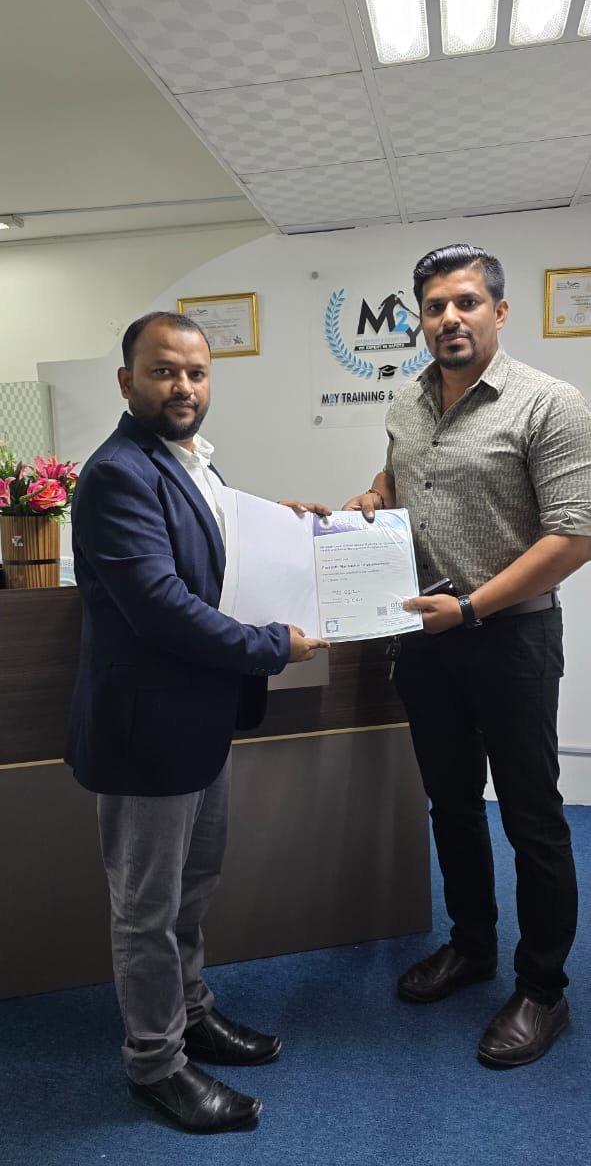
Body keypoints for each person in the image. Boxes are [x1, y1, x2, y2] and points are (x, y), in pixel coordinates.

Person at [67, 311, 328, 1134]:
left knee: (192, 888)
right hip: (145, 732)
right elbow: (160, 607)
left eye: (196, 372)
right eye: (163, 371)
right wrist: (273, 646)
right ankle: (155, 1064)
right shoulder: (116, 473)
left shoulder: (191, 463)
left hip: (200, 723)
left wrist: (282, 527)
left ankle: (191, 1013)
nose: (183, 387)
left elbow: (215, 555)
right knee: (146, 908)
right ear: (126, 381)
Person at [343, 244, 591, 1068]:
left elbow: (574, 535)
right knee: (450, 803)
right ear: (419, 319)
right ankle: (472, 946)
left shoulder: (549, 403)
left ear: (498, 311)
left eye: (465, 302)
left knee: (530, 816)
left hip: (511, 638)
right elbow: (401, 475)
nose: (449, 318)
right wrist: (375, 494)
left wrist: (474, 606)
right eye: (434, 307)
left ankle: (542, 988)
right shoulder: (405, 403)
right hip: (425, 638)